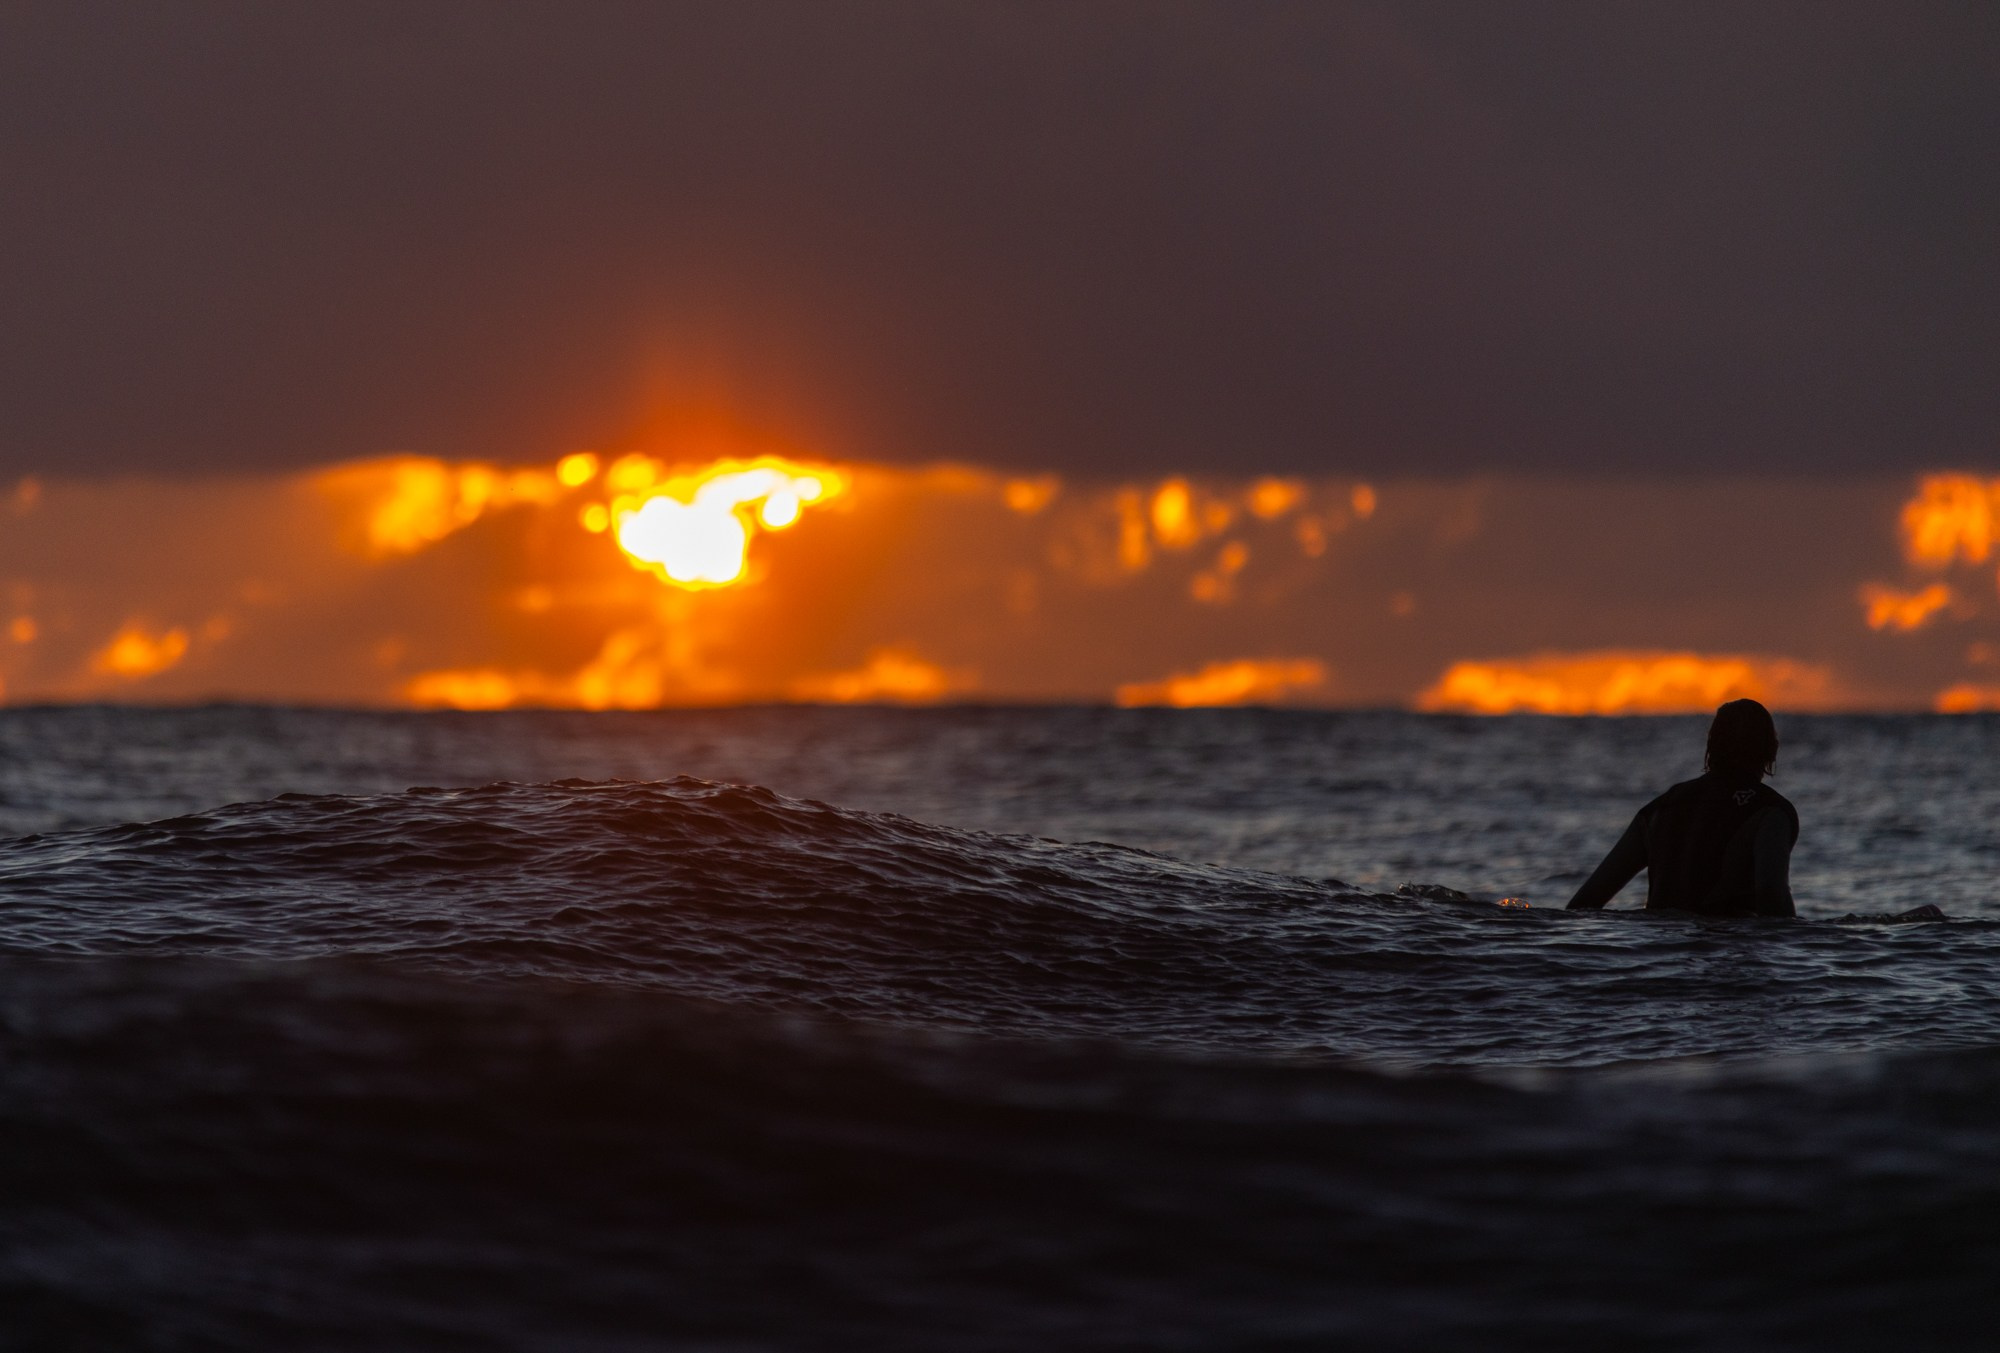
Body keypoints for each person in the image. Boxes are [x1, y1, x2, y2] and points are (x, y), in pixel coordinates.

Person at [1566, 698, 1797, 917]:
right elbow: (1771, 893)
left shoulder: (1660, 808)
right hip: (1732, 947)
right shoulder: (1770, 812)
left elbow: (1584, 903)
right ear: (1771, 749)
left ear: (1710, 748)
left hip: (1658, 950)